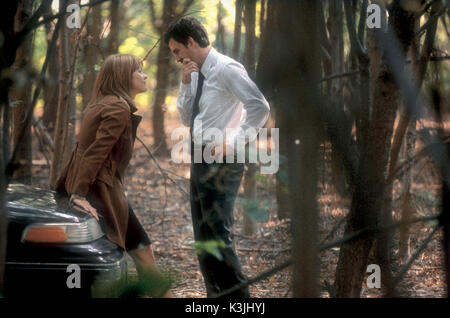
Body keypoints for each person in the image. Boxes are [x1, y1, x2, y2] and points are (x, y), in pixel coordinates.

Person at [164, 17, 270, 297]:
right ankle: (216, 298)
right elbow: (187, 118)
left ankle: (240, 301)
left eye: (177, 51)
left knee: (218, 236)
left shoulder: (226, 69)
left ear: (191, 42)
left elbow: (259, 106)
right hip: (200, 157)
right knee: (203, 237)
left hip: (223, 161)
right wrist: (186, 83)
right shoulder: (195, 72)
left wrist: (234, 143)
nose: (177, 58)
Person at [54, 54, 171, 298]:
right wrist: (78, 193)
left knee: (142, 249)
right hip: (101, 191)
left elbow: (84, 152)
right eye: (139, 71)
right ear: (122, 77)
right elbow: (95, 153)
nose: (144, 75)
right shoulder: (118, 107)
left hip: (97, 186)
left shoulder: (101, 102)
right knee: (141, 251)